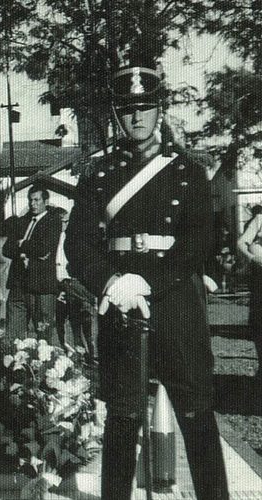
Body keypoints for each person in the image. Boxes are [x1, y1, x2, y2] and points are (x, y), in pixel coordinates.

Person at [65, 64, 228, 500]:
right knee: (122, 418)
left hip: (175, 304)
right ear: (117, 115)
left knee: (195, 414)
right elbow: (77, 246)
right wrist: (110, 281)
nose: (137, 117)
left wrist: (145, 280)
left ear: (159, 111)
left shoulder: (188, 172)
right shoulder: (97, 176)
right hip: (120, 305)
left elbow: (198, 242)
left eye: (146, 107)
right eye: (128, 109)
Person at [3, 186, 62, 341]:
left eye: (37, 200)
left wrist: (22, 243)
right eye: (30, 200)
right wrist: (27, 248)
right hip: (19, 283)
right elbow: (7, 249)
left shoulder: (53, 221)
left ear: (46, 201)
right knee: (13, 334)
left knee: (42, 334)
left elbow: (44, 249)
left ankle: (43, 364)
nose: (32, 204)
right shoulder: (22, 221)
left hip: (41, 285)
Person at [52, 207, 96, 362]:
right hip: (58, 286)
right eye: (62, 221)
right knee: (61, 322)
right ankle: (68, 351)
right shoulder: (52, 238)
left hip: (73, 284)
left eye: (67, 221)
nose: (65, 224)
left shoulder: (72, 239)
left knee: (81, 321)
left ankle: (88, 353)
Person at [237, 206, 262, 378]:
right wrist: (253, 257)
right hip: (260, 277)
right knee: (259, 323)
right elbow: (241, 242)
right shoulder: (260, 219)